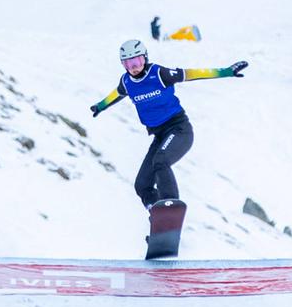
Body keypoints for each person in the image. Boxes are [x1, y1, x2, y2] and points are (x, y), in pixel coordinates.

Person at [89, 40, 247, 209]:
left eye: (137, 61)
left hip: (179, 129)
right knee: (142, 184)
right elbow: (117, 94)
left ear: (145, 58)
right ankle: (158, 217)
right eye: (128, 63)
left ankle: (170, 206)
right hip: (160, 136)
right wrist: (100, 106)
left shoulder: (158, 73)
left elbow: (192, 74)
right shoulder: (127, 82)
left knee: (161, 161)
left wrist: (226, 72)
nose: (133, 67)